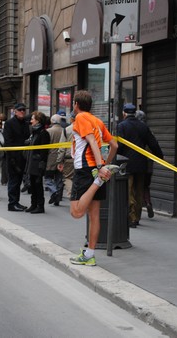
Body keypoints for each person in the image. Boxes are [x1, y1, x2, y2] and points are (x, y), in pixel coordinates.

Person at [69, 90, 119, 266]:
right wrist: (105, 163)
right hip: (94, 167)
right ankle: (89, 254)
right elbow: (114, 144)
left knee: (76, 212)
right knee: (94, 215)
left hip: (85, 169)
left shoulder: (81, 118)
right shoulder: (97, 121)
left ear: (76, 104)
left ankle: (98, 181)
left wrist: (100, 168)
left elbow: (90, 140)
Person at [117, 104, 164, 227]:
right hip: (141, 164)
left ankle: (131, 218)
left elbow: (120, 146)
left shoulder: (122, 126)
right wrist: (160, 157)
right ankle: (136, 217)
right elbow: (153, 143)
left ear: (124, 113)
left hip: (127, 164)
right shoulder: (143, 126)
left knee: (129, 191)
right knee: (138, 191)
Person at [4, 103, 30, 212]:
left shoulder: (25, 123)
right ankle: (12, 203)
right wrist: (12, 159)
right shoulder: (9, 123)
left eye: (24, 110)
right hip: (13, 157)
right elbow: (8, 141)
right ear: (15, 111)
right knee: (13, 181)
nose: (22, 111)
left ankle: (16, 202)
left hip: (23, 157)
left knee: (18, 181)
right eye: (20, 110)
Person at [25, 111, 51, 214]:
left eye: (33, 119)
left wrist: (41, 166)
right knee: (32, 184)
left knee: (38, 184)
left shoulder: (43, 133)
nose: (31, 121)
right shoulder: (34, 132)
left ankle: (40, 206)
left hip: (38, 163)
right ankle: (33, 204)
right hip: (31, 162)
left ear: (38, 121)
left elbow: (44, 152)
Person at [44, 114, 65, 206]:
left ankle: (54, 192)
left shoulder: (48, 131)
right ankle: (57, 198)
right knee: (59, 179)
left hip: (50, 158)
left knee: (48, 178)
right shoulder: (64, 131)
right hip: (62, 157)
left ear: (52, 121)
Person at [57, 111, 75, 199]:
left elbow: (62, 147)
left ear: (72, 119)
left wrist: (59, 161)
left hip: (69, 158)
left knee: (68, 177)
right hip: (83, 158)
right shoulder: (85, 128)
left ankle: (72, 194)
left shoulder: (67, 130)